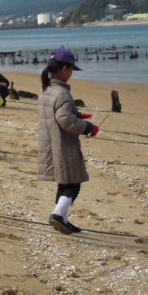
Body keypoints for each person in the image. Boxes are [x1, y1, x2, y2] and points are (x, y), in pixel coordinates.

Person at [37, 47, 98, 235]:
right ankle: (57, 214)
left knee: (64, 184)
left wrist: (78, 114)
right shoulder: (62, 93)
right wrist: (88, 127)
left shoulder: (48, 90)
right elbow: (64, 119)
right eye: (71, 70)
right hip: (63, 146)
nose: (71, 73)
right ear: (64, 69)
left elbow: (56, 113)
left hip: (49, 144)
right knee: (73, 184)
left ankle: (62, 218)